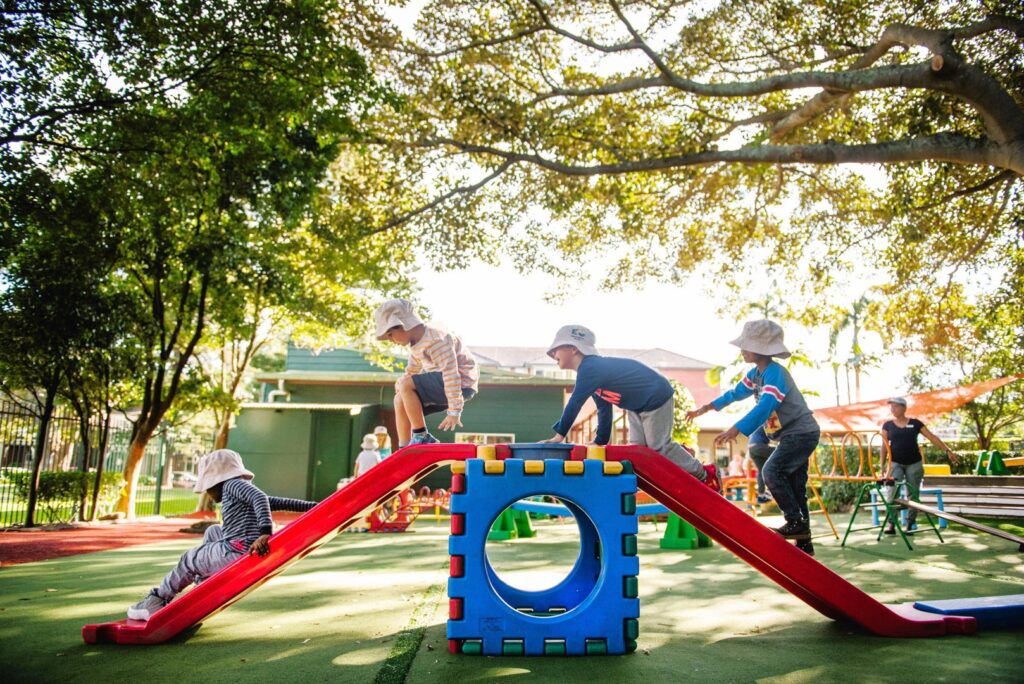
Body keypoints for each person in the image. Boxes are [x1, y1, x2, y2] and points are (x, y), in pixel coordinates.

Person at [127, 449, 317, 621]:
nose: (208, 492)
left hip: (238, 549)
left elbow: (259, 498)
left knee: (188, 559)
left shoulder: (231, 485)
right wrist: (315, 507)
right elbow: (277, 502)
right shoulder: (236, 488)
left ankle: (158, 598)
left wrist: (264, 533)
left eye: (208, 486)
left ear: (217, 480)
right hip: (238, 545)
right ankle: (203, 585)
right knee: (213, 531)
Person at [687, 320, 820, 554]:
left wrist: (737, 428)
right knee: (796, 487)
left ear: (762, 349)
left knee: (771, 472)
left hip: (801, 433)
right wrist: (706, 407)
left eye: (747, 346)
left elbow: (767, 406)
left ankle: (795, 522)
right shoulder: (756, 374)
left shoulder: (776, 373)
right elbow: (735, 393)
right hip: (793, 434)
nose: (742, 350)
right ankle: (804, 539)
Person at [540, 324, 719, 490]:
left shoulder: (591, 367)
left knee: (659, 446)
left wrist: (559, 435)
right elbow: (604, 408)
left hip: (655, 396)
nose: (553, 354)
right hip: (636, 405)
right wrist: (600, 440)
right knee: (638, 449)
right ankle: (679, 458)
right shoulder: (591, 373)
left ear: (573, 348)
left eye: (556, 349)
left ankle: (705, 473)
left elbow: (575, 402)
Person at [374, 299, 479, 447]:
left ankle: (421, 435)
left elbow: (451, 374)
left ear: (402, 325)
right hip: (443, 384)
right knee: (399, 398)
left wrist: (454, 410)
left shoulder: (436, 340)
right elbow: (412, 370)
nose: (390, 340)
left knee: (406, 386)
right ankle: (404, 447)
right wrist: (402, 382)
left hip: (461, 385)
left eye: (390, 334)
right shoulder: (416, 344)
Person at [880, 396, 956, 534]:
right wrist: (882, 467)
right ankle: (891, 524)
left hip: (914, 463)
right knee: (892, 493)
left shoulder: (915, 423)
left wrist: (947, 450)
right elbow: (884, 447)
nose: (892, 409)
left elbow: (932, 437)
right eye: (891, 407)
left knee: (913, 494)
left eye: (895, 406)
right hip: (895, 463)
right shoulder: (887, 425)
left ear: (904, 408)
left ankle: (910, 524)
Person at [747, 426, 774, 503]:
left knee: (761, 470)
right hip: (759, 446)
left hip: (751, 449)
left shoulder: (756, 426)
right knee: (781, 451)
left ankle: (761, 495)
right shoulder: (766, 423)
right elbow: (774, 436)